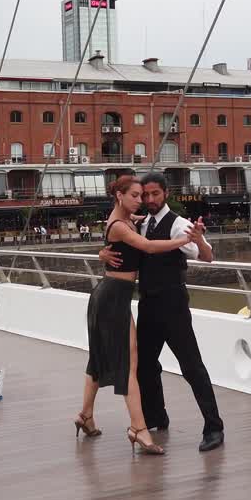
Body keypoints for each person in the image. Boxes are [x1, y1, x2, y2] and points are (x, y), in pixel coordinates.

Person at [99, 173, 223, 451]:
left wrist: (200, 241)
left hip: (174, 305)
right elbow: (119, 242)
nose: (150, 199)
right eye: (145, 195)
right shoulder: (139, 224)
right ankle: (157, 416)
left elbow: (207, 256)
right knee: (145, 366)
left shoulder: (179, 224)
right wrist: (101, 253)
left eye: (155, 194)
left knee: (192, 368)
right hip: (147, 304)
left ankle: (214, 427)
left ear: (166, 193)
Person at [75, 175, 193, 457]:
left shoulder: (129, 221)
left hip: (112, 295)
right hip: (113, 296)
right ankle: (139, 429)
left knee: (99, 357)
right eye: (135, 196)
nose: (141, 201)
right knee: (129, 363)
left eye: (142, 196)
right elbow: (150, 247)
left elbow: (132, 233)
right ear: (119, 196)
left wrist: (101, 253)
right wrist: (183, 240)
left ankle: (86, 416)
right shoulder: (119, 225)